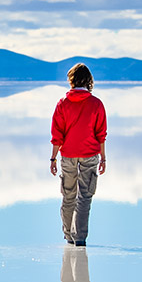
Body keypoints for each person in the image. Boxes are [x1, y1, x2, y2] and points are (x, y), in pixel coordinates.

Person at [50, 63, 107, 246]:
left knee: (68, 195)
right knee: (84, 197)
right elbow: (101, 134)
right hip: (90, 155)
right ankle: (80, 238)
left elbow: (57, 134)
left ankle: (68, 235)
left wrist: (53, 158)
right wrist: (104, 158)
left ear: (72, 81)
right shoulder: (96, 104)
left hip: (67, 155)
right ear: (89, 80)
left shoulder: (62, 103)